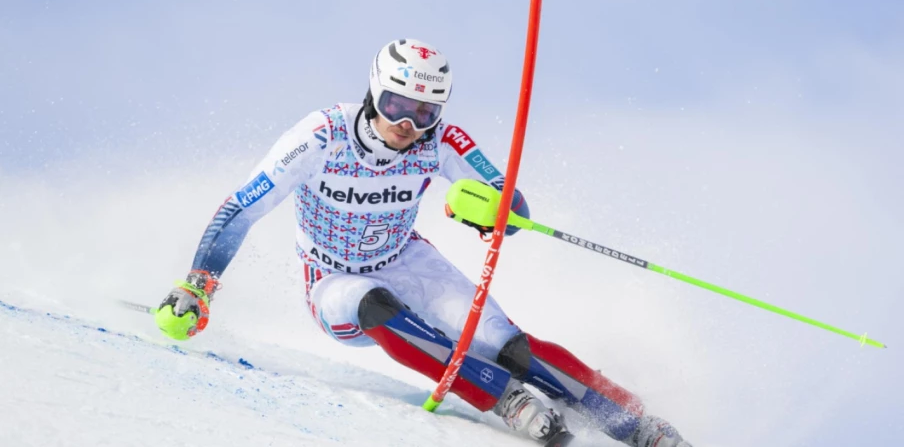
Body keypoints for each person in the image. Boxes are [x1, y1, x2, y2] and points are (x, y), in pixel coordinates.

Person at [155, 39, 693, 447]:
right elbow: (243, 206)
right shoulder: (322, 136)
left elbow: (512, 206)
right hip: (332, 277)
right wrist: (199, 285)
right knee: (372, 304)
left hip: (407, 261)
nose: (408, 124)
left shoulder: (442, 140)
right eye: (396, 105)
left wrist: (492, 210)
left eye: (425, 112)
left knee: (510, 347)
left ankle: (636, 424)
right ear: (374, 91)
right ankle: (504, 399)